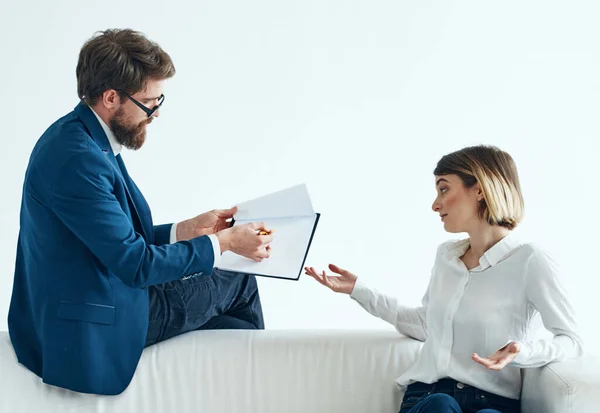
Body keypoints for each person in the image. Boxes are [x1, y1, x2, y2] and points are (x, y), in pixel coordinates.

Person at [8, 28, 274, 396]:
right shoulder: (78, 159)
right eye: (150, 102)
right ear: (111, 97)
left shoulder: (81, 137)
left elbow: (112, 236)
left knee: (221, 282)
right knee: (239, 281)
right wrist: (223, 243)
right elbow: (135, 265)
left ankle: (215, 390)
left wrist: (184, 230)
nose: (156, 113)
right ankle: (250, 395)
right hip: (96, 320)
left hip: (92, 291)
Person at [305, 145, 583, 413]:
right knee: (440, 405)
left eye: (444, 189)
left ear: (480, 190)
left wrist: (521, 351)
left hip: (495, 401)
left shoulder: (530, 260)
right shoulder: (447, 257)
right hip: (428, 398)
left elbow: (571, 341)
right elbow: (426, 325)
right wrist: (358, 290)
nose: (435, 205)